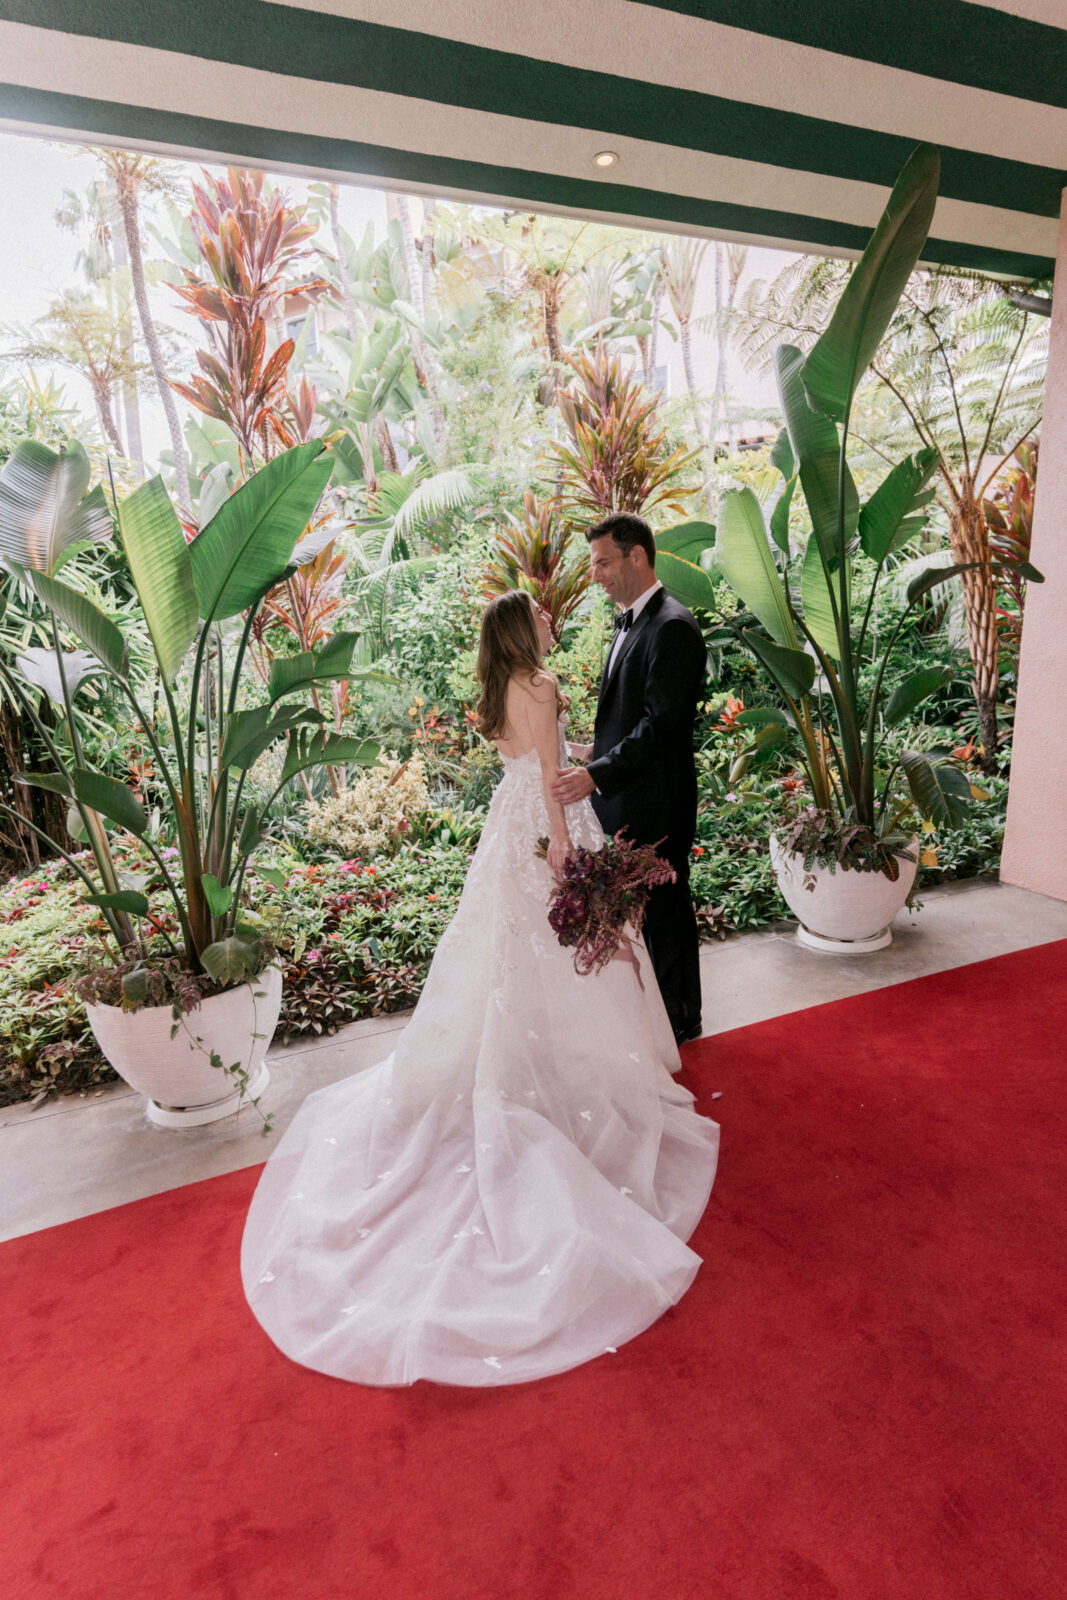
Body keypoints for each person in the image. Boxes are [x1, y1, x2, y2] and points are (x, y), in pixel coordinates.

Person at [242, 590, 719, 1388]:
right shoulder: (537, 685)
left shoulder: (501, 686)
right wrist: (566, 849)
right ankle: (567, 1074)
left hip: (507, 823)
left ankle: (533, 1058)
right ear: (519, 630)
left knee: (507, 955)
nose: (546, 620)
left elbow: (516, 766)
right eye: (536, 615)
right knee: (567, 952)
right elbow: (545, 771)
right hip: (543, 825)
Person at [551, 512, 706, 1045]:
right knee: (646, 909)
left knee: (665, 909)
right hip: (630, 796)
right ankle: (660, 1016)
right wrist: (593, 751)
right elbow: (633, 717)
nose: (596, 576)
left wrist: (595, 776)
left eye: (603, 563)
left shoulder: (673, 626)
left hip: (658, 802)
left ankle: (682, 1019)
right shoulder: (632, 621)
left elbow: (661, 726)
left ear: (636, 555)